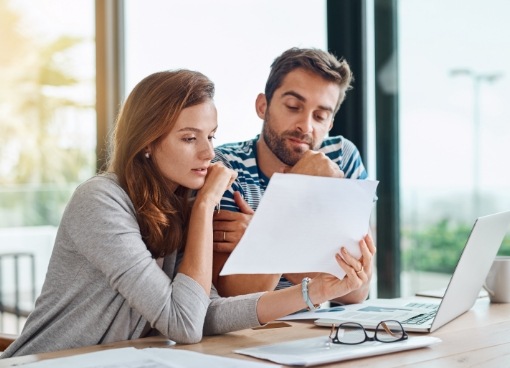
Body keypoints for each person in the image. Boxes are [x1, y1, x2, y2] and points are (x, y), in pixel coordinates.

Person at [1, 69, 372, 358]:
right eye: (189, 138)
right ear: (147, 143)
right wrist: (206, 206)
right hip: (46, 361)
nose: (209, 154)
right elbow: (182, 325)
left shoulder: (179, 203)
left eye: (211, 137)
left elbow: (206, 313)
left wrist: (315, 292)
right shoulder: (100, 201)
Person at [212, 47, 376, 302]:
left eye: (320, 116)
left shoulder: (342, 157)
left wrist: (259, 235)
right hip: (253, 334)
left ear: (330, 123)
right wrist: (295, 186)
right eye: (293, 106)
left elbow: (355, 289)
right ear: (262, 106)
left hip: (324, 331)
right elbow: (234, 293)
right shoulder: (225, 166)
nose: (306, 126)